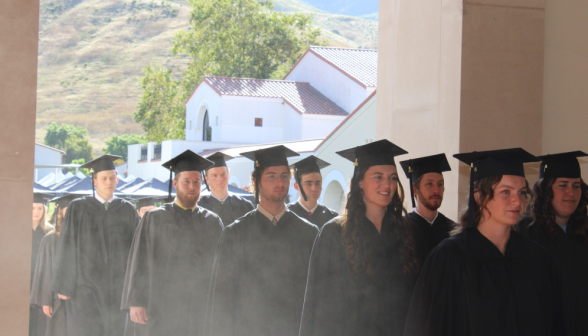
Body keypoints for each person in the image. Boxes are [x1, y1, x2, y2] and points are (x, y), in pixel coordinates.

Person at [404, 148, 564, 336]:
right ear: (479, 197)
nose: (517, 201)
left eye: (521, 192)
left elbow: (555, 325)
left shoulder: (537, 258)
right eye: (506, 191)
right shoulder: (451, 258)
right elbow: (429, 328)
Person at [299, 139, 420, 336]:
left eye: (392, 178)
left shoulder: (404, 231)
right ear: (360, 181)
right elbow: (318, 302)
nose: (387, 185)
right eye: (378, 177)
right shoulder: (336, 233)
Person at [207, 145, 319, 336]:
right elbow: (222, 299)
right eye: (271, 176)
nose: (279, 182)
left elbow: (318, 297)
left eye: (284, 176)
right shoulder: (235, 233)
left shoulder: (308, 233)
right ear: (256, 181)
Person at [121, 150, 223, 336]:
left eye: (196, 182)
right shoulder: (155, 218)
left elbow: (221, 266)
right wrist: (136, 301)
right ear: (175, 183)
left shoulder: (212, 221)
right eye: (186, 182)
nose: (192, 187)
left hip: (200, 307)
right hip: (160, 307)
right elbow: (139, 259)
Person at [52, 155, 139, 336]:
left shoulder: (127, 209)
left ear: (117, 178)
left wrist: (136, 289)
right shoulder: (78, 208)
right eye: (104, 178)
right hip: (84, 288)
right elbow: (67, 245)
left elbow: (137, 250)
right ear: (94, 181)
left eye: (112, 177)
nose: (109, 181)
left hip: (118, 288)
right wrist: (63, 284)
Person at [518, 151, 588, 336]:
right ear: (546, 189)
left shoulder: (584, 232)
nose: (571, 193)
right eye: (563, 185)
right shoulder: (526, 233)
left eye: (576, 186)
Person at [30, 194, 77, 336]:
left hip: (79, 298)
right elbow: (45, 271)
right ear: (60, 212)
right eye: (67, 210)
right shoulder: (51, 238)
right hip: (57, 298)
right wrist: (46, 299)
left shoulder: (86, 237)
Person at [399, 154, 455, 263]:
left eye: (440, 184)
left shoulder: (452, 229)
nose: (436, 190)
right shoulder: (401, 227)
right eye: (429, 184)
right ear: (415, 190)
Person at [198, 152, 254, 226]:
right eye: (214, 175)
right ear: (207, 179)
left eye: (223, 174)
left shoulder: (245, 206)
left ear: (228, 176)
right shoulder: (199, 207)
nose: (220, 179)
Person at [287, 155, 338, 229]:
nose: (314, 188)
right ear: (296, 187)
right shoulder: (287, 214)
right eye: (308, 184)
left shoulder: (332, 217)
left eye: (317, 183)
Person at [30, 192, 53, 336]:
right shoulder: (18, 230)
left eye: (39, 208)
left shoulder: (50, 231)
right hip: (24, 279)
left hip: (42, 280)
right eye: (32, 208)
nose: (36, 212)